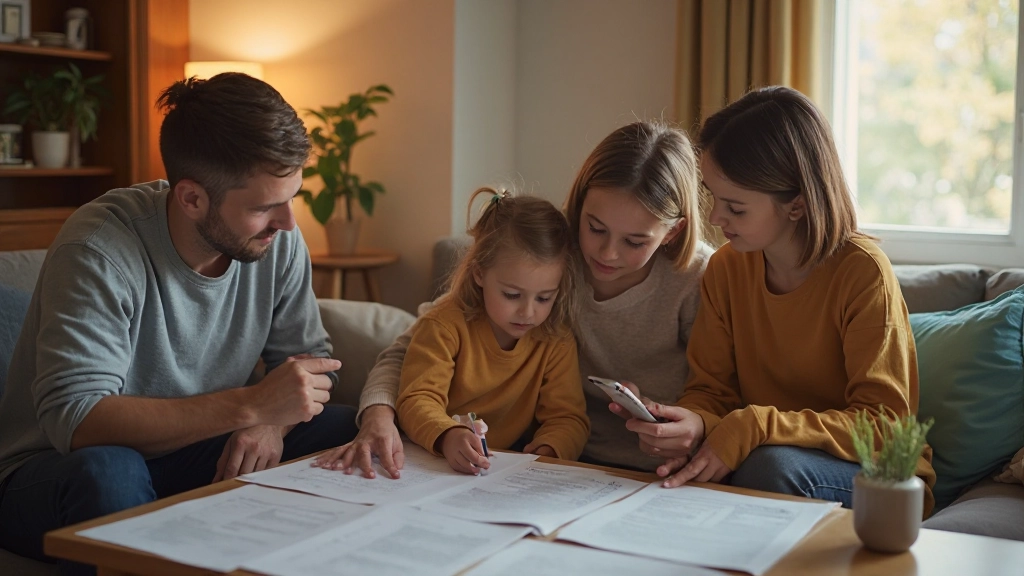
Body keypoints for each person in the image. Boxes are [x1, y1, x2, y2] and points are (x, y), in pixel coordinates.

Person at [0, 73, 358, 573]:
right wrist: (252, 405)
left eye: (292, 196)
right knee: (110, 471)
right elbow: (78, 420)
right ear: (191, 199)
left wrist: (271, 423)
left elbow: (310, 365)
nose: (288, 222)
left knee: (346, 428)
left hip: (195, 450)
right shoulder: (99, 248)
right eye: (263, 206)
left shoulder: (277, 240)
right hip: (53, 470)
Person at [315, 120, 713, 477]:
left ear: (673, 232)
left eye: (635, 242)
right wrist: (379, 414)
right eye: (595, 228)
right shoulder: (550, 254)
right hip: (561, 465)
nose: (607, 253)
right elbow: (408, 351)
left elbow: (724, 390)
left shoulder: (699, 278)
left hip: (660, 466)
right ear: (580, 204)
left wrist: (696, 424)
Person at [622, 86, 937, 515]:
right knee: (697, 475)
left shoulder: (863, 273)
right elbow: (711, 392)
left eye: (735, 207)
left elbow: (885, 426)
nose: (715, 217)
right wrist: (694, 424)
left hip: (878, 476)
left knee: (769, 467)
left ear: (797, 205)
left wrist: (756, 425)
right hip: (763, 457)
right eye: (713, 196)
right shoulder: (726, 269)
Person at [393, 188, 589, 474]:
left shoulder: (555, 339)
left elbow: (568, 418)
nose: (528, 312)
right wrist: (448, 435)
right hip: (433, 461)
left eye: (544, 298)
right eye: (512, 295)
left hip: (507, 470)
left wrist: (549, 451)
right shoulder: (444, 326)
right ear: (479, 273)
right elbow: (416, 399)